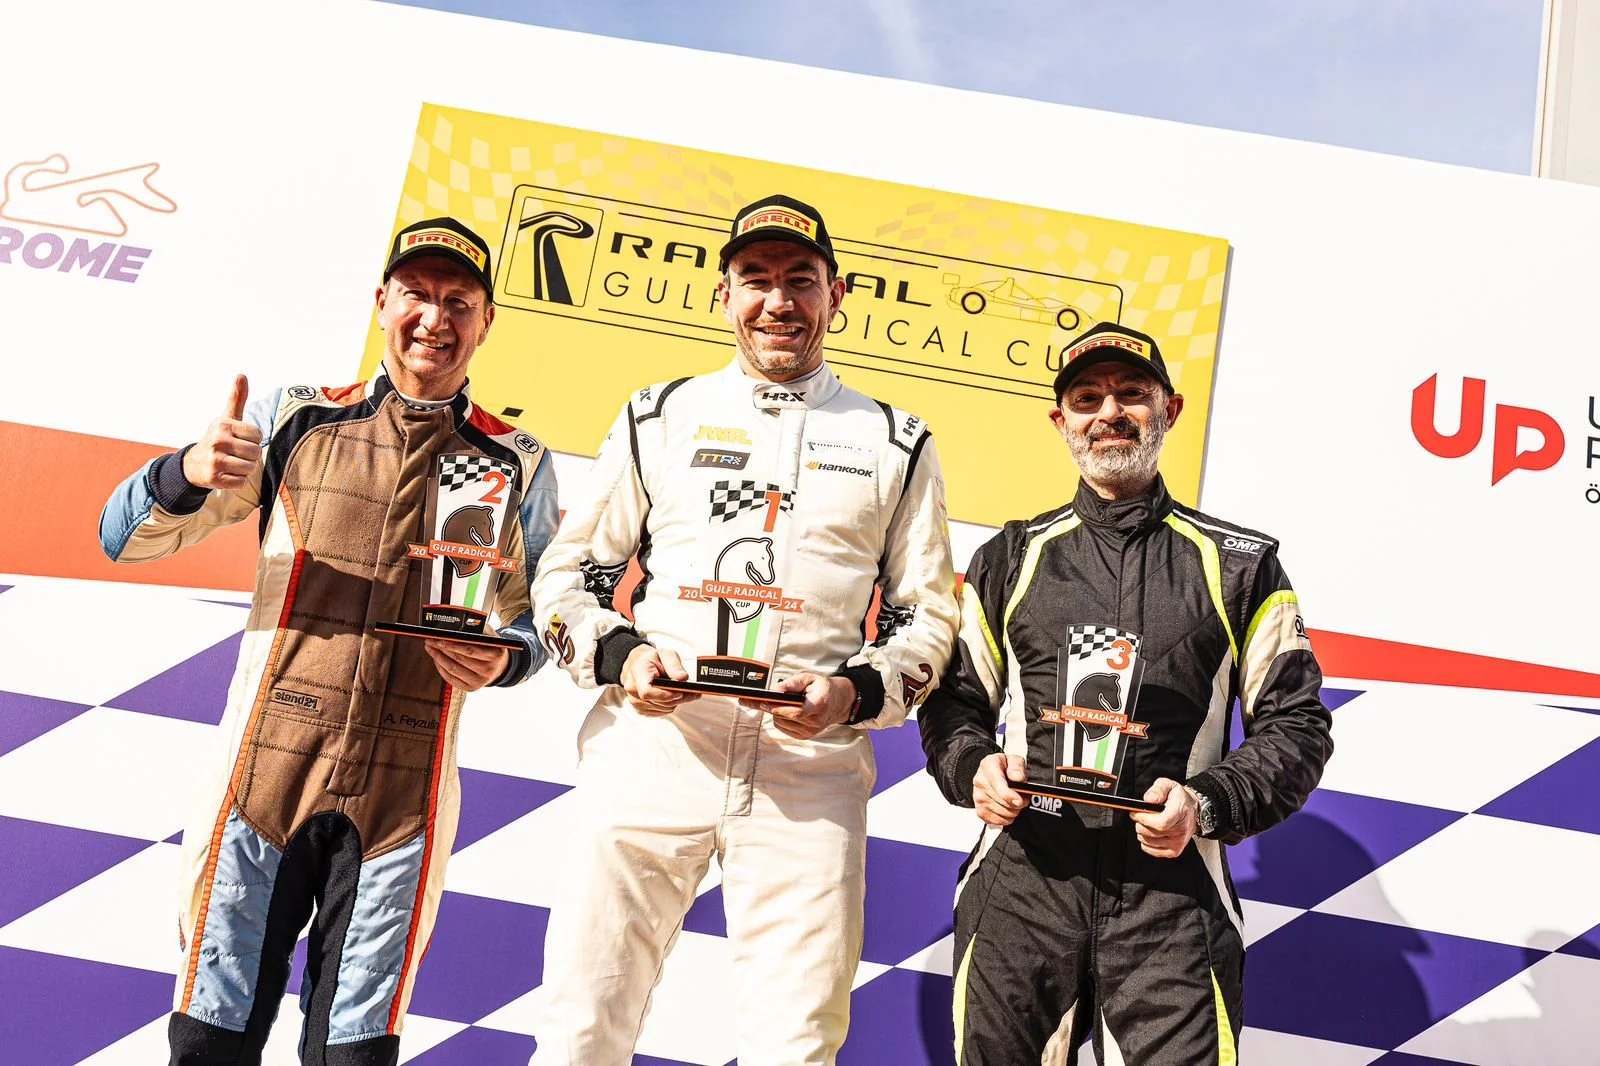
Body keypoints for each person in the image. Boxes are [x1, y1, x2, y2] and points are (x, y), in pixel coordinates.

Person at [98, 217, 559, 1066]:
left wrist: (508, 658)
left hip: (406, 793)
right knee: (208, 1042)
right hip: (264, 775)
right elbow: (122, 539)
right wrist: (184, 473)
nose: (434, 318)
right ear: (382, 303)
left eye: (458, 301)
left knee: (353, 1056)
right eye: (416, 294)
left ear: (486, 320)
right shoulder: (294, 419)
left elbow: (541, 619)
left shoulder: (516, 460)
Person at [529, 194, 960, 1065]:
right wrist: (622, 656)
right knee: (582, 1025)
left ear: (837, 295)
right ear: (723, 294)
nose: (778, 301)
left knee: (796, 1045)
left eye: (800, 280)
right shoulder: (659, 414)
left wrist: (855, 693)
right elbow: (569, 576)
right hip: (655, 748)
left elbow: (925, 614)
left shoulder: (895, 439)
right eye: (756, 279)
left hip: (808, 770)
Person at [918, 322, 1333, 1065]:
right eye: (1087, 398)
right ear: (1061, 421)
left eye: (1131, 393)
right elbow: (954, 704)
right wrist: (972, 767)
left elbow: (1297, 728)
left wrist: (1206, 803)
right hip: (1022, 885)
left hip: (1173, 901)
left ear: (1169, 409)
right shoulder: (1010, 555)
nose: (1109, 413)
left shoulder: (1242, 566)